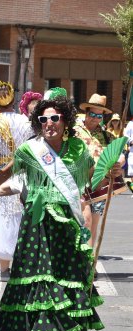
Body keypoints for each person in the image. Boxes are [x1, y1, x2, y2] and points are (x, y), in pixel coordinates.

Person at [0, 96, 121, 331]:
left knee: (61, 280)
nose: (48, 124)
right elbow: (2, 176)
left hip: (66, 227)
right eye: (43, 119)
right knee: (41, 282)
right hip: (37, 226)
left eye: (54, 118)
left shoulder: (79, 150)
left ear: (65, 121)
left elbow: (94, 180)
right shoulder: (30, 151)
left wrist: (113, 171)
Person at [0, 82, 33, 274]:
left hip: (1, 174)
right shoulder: (25, 122)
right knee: (22, 216)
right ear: (14, 100)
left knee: (2, 218)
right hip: (22, 172)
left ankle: (4, 267)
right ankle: (23, 264)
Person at [73, 94, 115, 252]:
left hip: (100, 185)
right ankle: (83, 260)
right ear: (86, 112)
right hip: (78, 183)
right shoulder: (73, 132)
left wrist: (119, 162)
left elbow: (119, 156)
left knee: (94, 225)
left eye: (99, 115)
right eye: (92, 114)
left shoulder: (108, 136)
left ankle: (89, 262)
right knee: (85, 222)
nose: (95, 118)